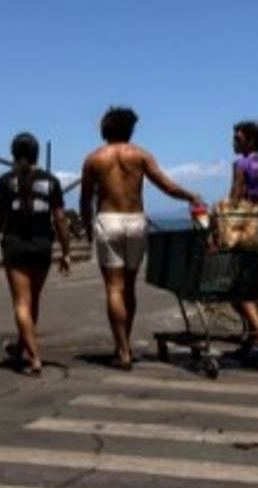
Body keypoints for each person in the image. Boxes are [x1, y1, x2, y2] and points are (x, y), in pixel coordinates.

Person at [80, 106, 201, 370]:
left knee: (114, 288)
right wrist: (190, 196)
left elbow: (85, 199)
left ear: (105, 129)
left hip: (108, 220)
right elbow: (166, 185)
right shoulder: (141, 155)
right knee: (129, 287)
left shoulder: (94, 159)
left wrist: (89, 230)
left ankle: (122, 349)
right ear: (130, 130)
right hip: (135, 221)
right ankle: (124, 342)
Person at [0, 133, 72, 376]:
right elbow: (61, 219)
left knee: (22, 303)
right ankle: (22, 348)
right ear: (36, 154)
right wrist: (66, 252)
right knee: (33, 302)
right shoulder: (51, 182)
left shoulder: (5, 182)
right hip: (42, 247)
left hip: (15, 246)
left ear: (13, 154)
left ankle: (34, 358)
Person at [225, 120, 258, 359]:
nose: (233, 142)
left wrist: (221, 230)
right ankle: (251, 336)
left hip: (247, 230)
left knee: (238, 289)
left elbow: (234, 200)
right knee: (253, 286)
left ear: (251, 141)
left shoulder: (241, 165)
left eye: (238, 138)